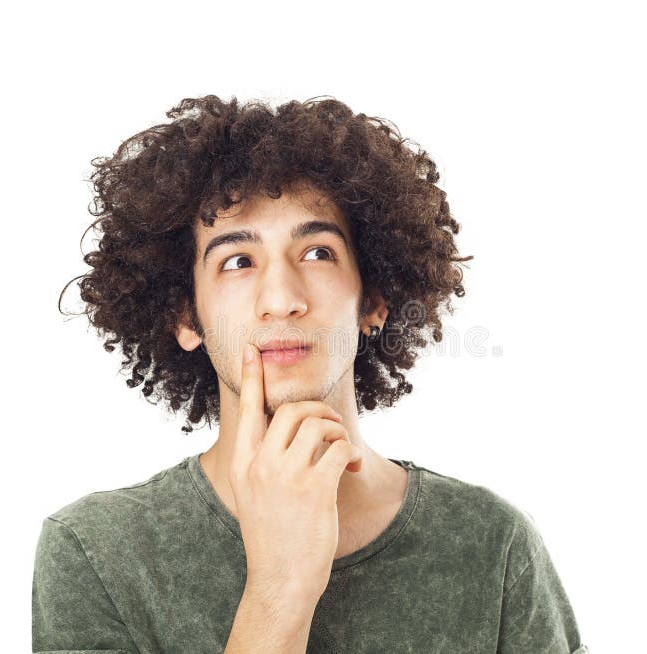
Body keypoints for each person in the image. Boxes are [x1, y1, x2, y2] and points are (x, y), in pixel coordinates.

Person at [34, 95, 588, 653]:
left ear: (373, 298)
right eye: (237, 261)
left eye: (318, 253)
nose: (281, 299)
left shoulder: (492, 546)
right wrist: (278, 589)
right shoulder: (96, 553)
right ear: (186, 315)